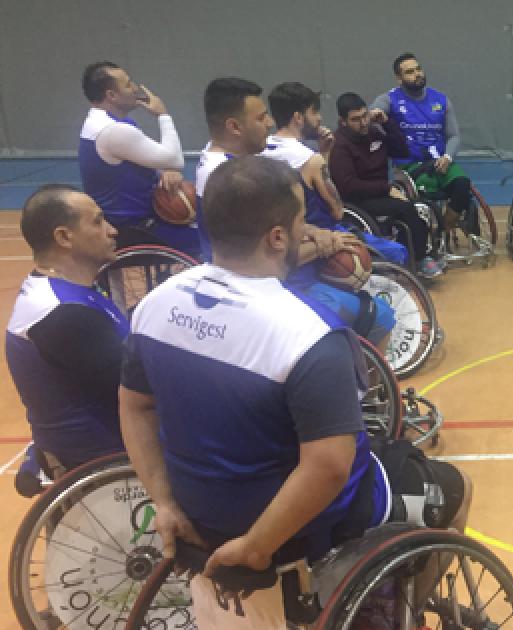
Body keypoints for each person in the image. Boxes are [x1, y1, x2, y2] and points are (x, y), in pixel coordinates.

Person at [119, 154, 469, 576]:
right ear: (278, 238)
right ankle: (391, 611)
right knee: (455, 487)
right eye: (301, 220)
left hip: (197, 508)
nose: (307, 231)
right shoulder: (311, 333)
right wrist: (255, 546)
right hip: (291, 525)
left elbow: (135, 407)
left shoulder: (154, 305)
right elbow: (329, 468)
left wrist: (164, 502)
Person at [196, 78, 395, 347]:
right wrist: (326, 244)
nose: (269, 124)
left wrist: (315, 232)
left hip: (254, 277)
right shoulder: (232, 182)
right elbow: (269, 257)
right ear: (234, 127)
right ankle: (350, 373)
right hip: (259, 290)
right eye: (261, 117)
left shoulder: (219, 162)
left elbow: (274, 227)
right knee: (381, 316)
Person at [6, 184, 127, 474]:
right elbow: (138, 389)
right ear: (63, 237)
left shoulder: (64, 290)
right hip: (103, 460)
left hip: (102, 445)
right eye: (98, 222)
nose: (112, 231)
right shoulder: (63, 314)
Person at [262, 82, 428, 276]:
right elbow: (337, 210)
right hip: (321, 236)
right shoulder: (309, 159)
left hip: (281, 241)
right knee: (398, 252)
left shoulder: (262, 152)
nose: (319, 118)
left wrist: (324, 152)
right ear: (298, 118)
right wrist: (322, 157)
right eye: (314, 112)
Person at [77, 61, 199, 255]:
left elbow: (155, 160)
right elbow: (175, 159)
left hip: (125, 220)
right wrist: (163, 115)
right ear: (111, 95)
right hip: (134, 228)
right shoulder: (113, 131)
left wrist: (165, 170)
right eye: (128, 84)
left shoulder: (102, 122)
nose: (135, 88)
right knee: (213, 237)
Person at [329, 91, 437, 275]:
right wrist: (386, 189)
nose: (363, 123)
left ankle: (414, 253)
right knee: (406, 209)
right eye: (356, 119)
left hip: (381, 193)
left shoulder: (374, 132)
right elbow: (348, 186)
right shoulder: (340, 145)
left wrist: (387, 123)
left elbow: (402, 151)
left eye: (365, 116)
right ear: (343, 121)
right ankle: (420, 259)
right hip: (358, 200)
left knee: (423, 204)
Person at [374, 54, 476, 245]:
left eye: (418, 69)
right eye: (410, 72)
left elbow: (454, 136)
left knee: (462, 184)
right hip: (410, 166)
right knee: (423, 200)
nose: (417, 74)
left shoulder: (441, 100)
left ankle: (443, 230)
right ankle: (425, 235)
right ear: (399, 78)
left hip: (439, 162)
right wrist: (376, 113)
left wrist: (447, 156)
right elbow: (375, 111)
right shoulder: (390, 99)